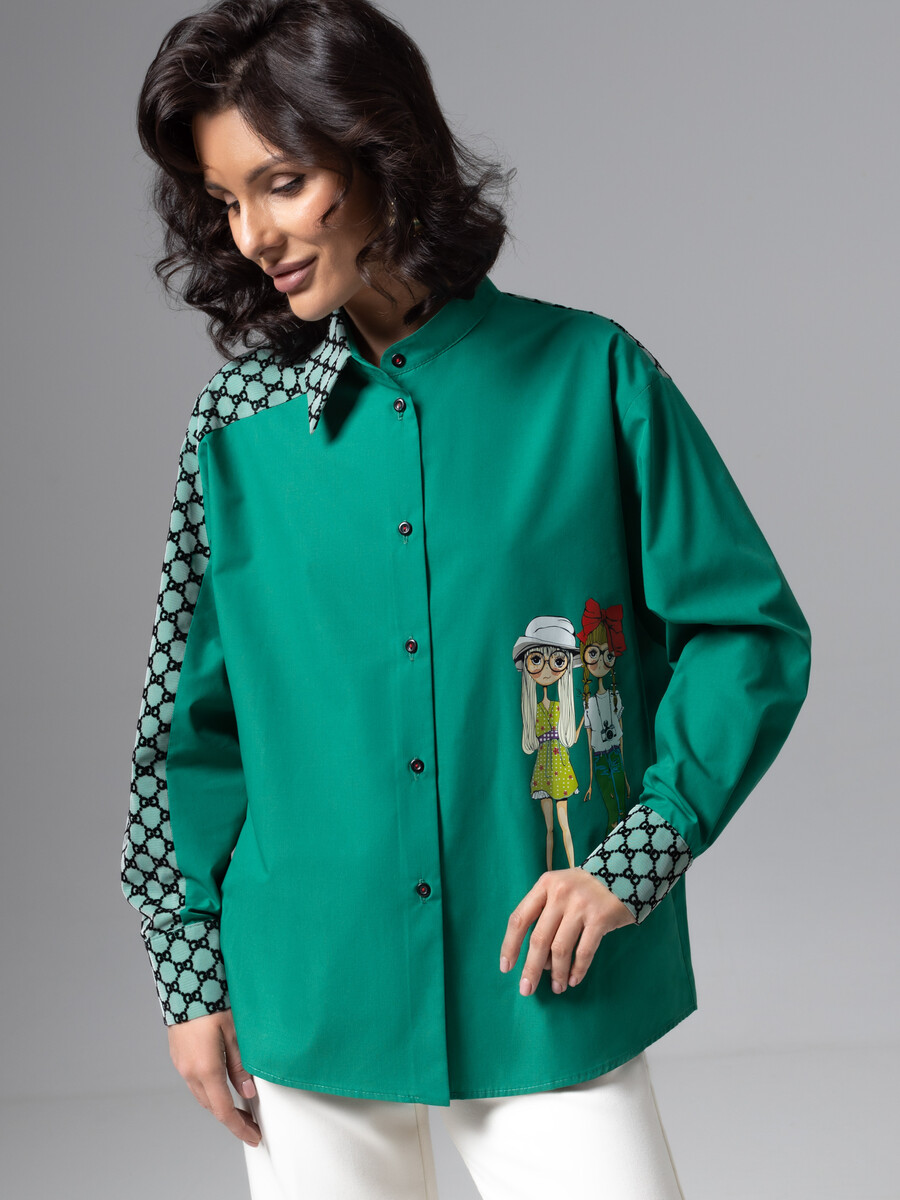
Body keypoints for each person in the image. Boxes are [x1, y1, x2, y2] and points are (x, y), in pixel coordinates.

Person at [119, 1, 812, 1197]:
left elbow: (745, 633)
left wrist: (636, 856)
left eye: (282, 183)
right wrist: (189, 979)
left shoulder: (591, 376)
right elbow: (183, 734)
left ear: (378, 153)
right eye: (226, 201)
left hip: (543, 979)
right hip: (309, 986)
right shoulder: (234, 432)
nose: (253, 235)